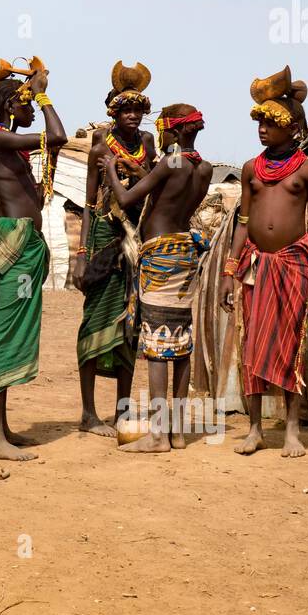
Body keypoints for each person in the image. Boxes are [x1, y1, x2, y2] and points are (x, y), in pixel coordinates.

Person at [219, 66, 308, 459]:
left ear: (293, 127)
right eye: (259, 121)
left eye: (270, 122)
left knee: (288, 343)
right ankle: (256, 429)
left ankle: (292, 429)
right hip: (255, 266)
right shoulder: (250, 169)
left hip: (294, 265)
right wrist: (230, 272)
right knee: (252, 345)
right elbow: (242, 225)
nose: (262, 129)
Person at [100, 104, 212, 452]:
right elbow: (171, 199)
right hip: (185, 255)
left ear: (175, 133)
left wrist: (110, 171)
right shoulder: (203, 168)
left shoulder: (171, 161)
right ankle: (177, 433)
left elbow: (126, 197)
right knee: (180, 343)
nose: (159, 136)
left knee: (158, 344)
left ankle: (158, 435)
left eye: (163, 131)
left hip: (161, 258)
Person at [0, 59, 67, 461]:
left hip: (26, 242)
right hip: (16, 242)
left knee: (12, 331)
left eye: (33, 102)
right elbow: (58, 136)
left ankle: (2, 430)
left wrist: (33, 87)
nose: (31, 108)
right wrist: (44, 92)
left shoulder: (8, 141)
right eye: (26, 103)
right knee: (2, 332)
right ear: (11, 106)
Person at [73, 61, 157, 436]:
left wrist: (137, 173)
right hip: (104, 240)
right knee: (94, 322)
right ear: (114, 111)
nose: (134, 116)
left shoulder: (149, 144)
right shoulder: (99, 145)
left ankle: (122, 411)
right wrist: (81, 254)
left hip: (135, 242)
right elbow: (89, 203)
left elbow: (153, 186)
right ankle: (89, 414)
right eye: (127, 109)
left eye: (139, 110)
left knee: (130, 326)